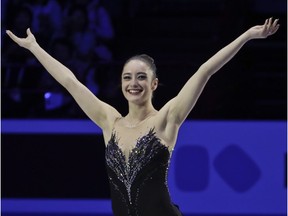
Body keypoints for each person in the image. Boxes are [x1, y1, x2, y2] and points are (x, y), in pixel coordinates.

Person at [6, 17, 279, 216]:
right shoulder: (109, 121)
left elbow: (204, 71)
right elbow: (71, 82)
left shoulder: (166, 120)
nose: (133, 83)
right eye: (127, 77)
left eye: (141, 77)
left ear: (154, 84)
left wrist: (246, 36)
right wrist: (34, 48)